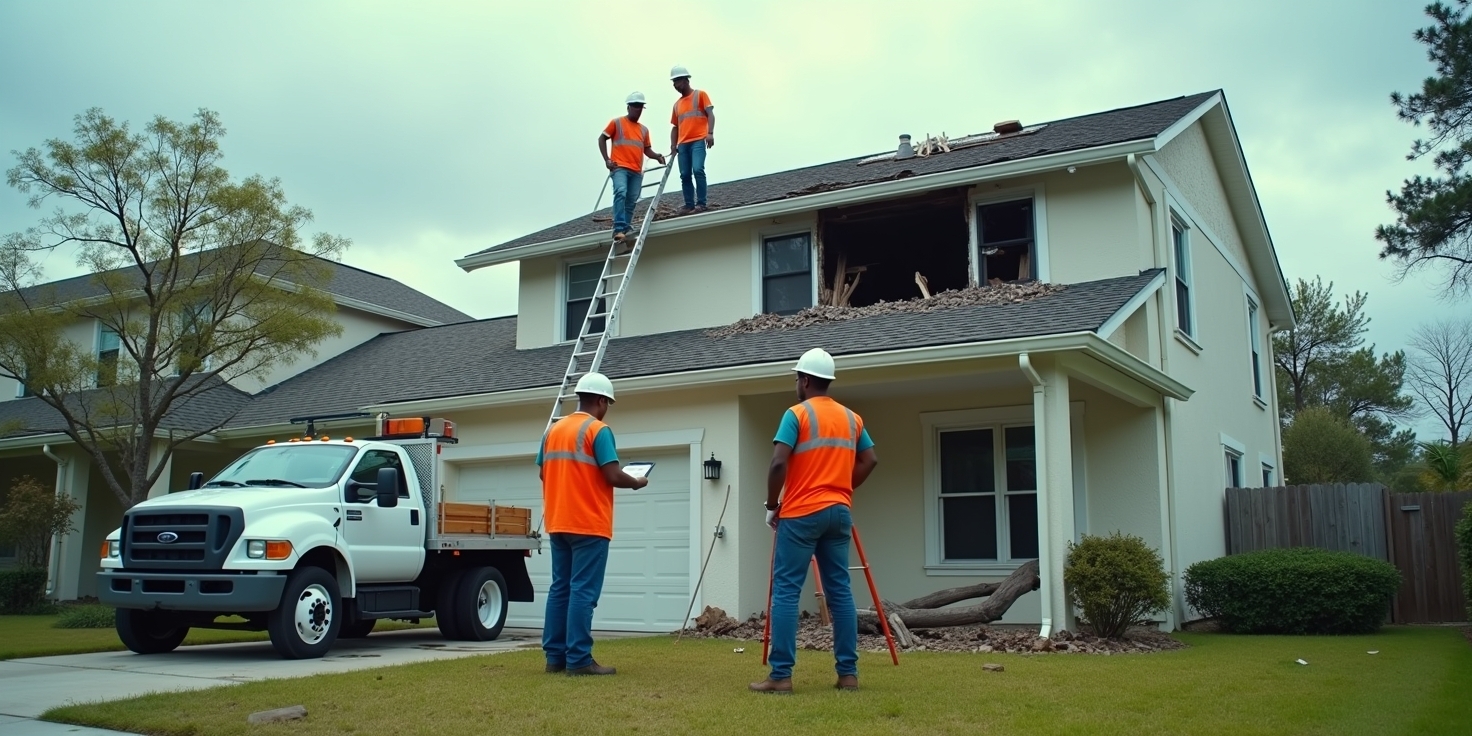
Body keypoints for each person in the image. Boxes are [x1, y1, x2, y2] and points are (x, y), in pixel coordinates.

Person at [751, 348, 878, 695]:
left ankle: (780, 676)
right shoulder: (852, 418)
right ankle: (848, 675)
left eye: (797, 378)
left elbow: (778, 463)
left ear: (805, 380)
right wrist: (841, 488)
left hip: (801, 513)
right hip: (839, 512)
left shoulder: (796, 414)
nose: (796, 384)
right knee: (841, 592)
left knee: (786, 591)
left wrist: (772, 504)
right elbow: (870, 460)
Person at [538, 372, 649, 676]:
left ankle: (555, 658)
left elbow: (543, 473)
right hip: (588, 524)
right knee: (583, 592)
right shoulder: (598, 430)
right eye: (607, 404)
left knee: (560, 589)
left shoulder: (552, 431)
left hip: (558, 522)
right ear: (601, 401)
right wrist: (637, 481)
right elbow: (612, 474)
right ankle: (579, 660)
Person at [599, 92, 666, 242]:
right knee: (621, 192)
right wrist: (607, 160)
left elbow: (646, 149)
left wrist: (657, 156)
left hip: (636, 171)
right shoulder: (617, 123)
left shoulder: (644, 130)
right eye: (635, 106)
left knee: (631, 200)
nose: (638, 109)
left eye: (640, 106)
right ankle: (618, 228)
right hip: (619, 167)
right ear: (628, 107)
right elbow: (601, 138)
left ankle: (625, 228)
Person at [667, 65, 714, 213]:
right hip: (683, 144)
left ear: (685, 80)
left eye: (677, 81)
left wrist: (710, 133)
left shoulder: (700, 95)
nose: (675, 85)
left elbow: (710, 114)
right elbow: (675, 127)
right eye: (673, 82)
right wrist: (673, 145)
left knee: (698, 169)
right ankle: (689, 204)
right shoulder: (677, 105)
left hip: (698, 140)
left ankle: (701, 203)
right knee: (685, 175)